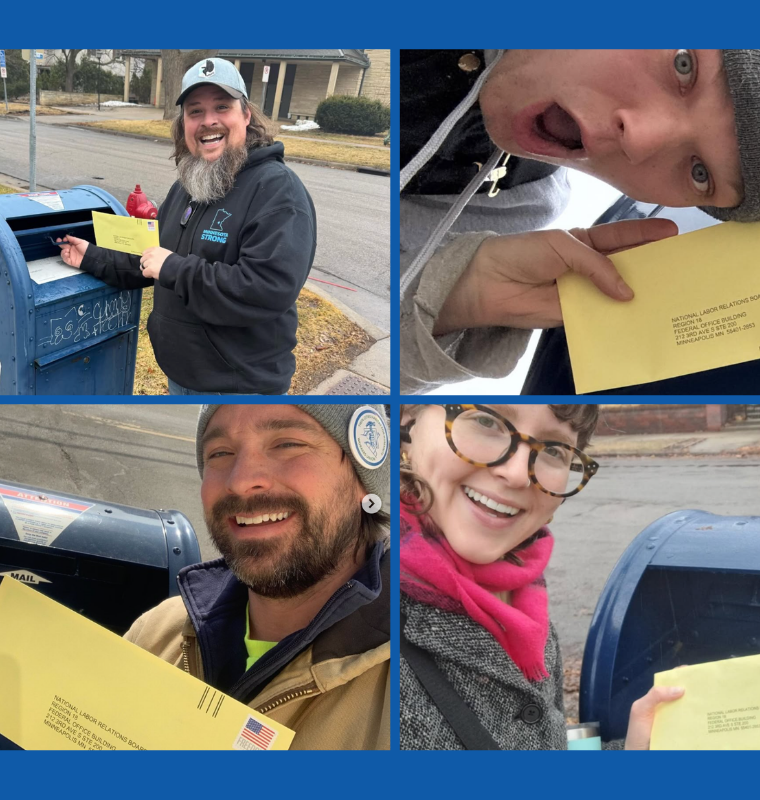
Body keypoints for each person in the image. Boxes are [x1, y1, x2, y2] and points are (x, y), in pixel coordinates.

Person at [399, 50, 760, 393]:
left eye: (699, 173)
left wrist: (455, 298)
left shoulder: (513, 207)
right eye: (683, 64)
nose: (641, 140)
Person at [396, 403, 680, 749]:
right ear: (407, 425)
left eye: (554, 450)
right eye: (486, 421)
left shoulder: (524, 601)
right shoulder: (363, 621)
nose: (516, 473)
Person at [125, 404, 390, 749]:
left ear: (363, 479)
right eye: (219, 453)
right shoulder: (158, 633)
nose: (240, 481)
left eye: (287, 444)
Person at [54, 58, 316, 395]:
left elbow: (266, 289)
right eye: (195, 111)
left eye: (222, 107)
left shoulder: (277, 191)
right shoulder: (190, 184)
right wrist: (90, 256)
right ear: (184, 123)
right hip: (182, 378)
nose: (208, 121)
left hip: (238, 388)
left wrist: (174, 268)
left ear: (246, 116)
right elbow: (151, 259)